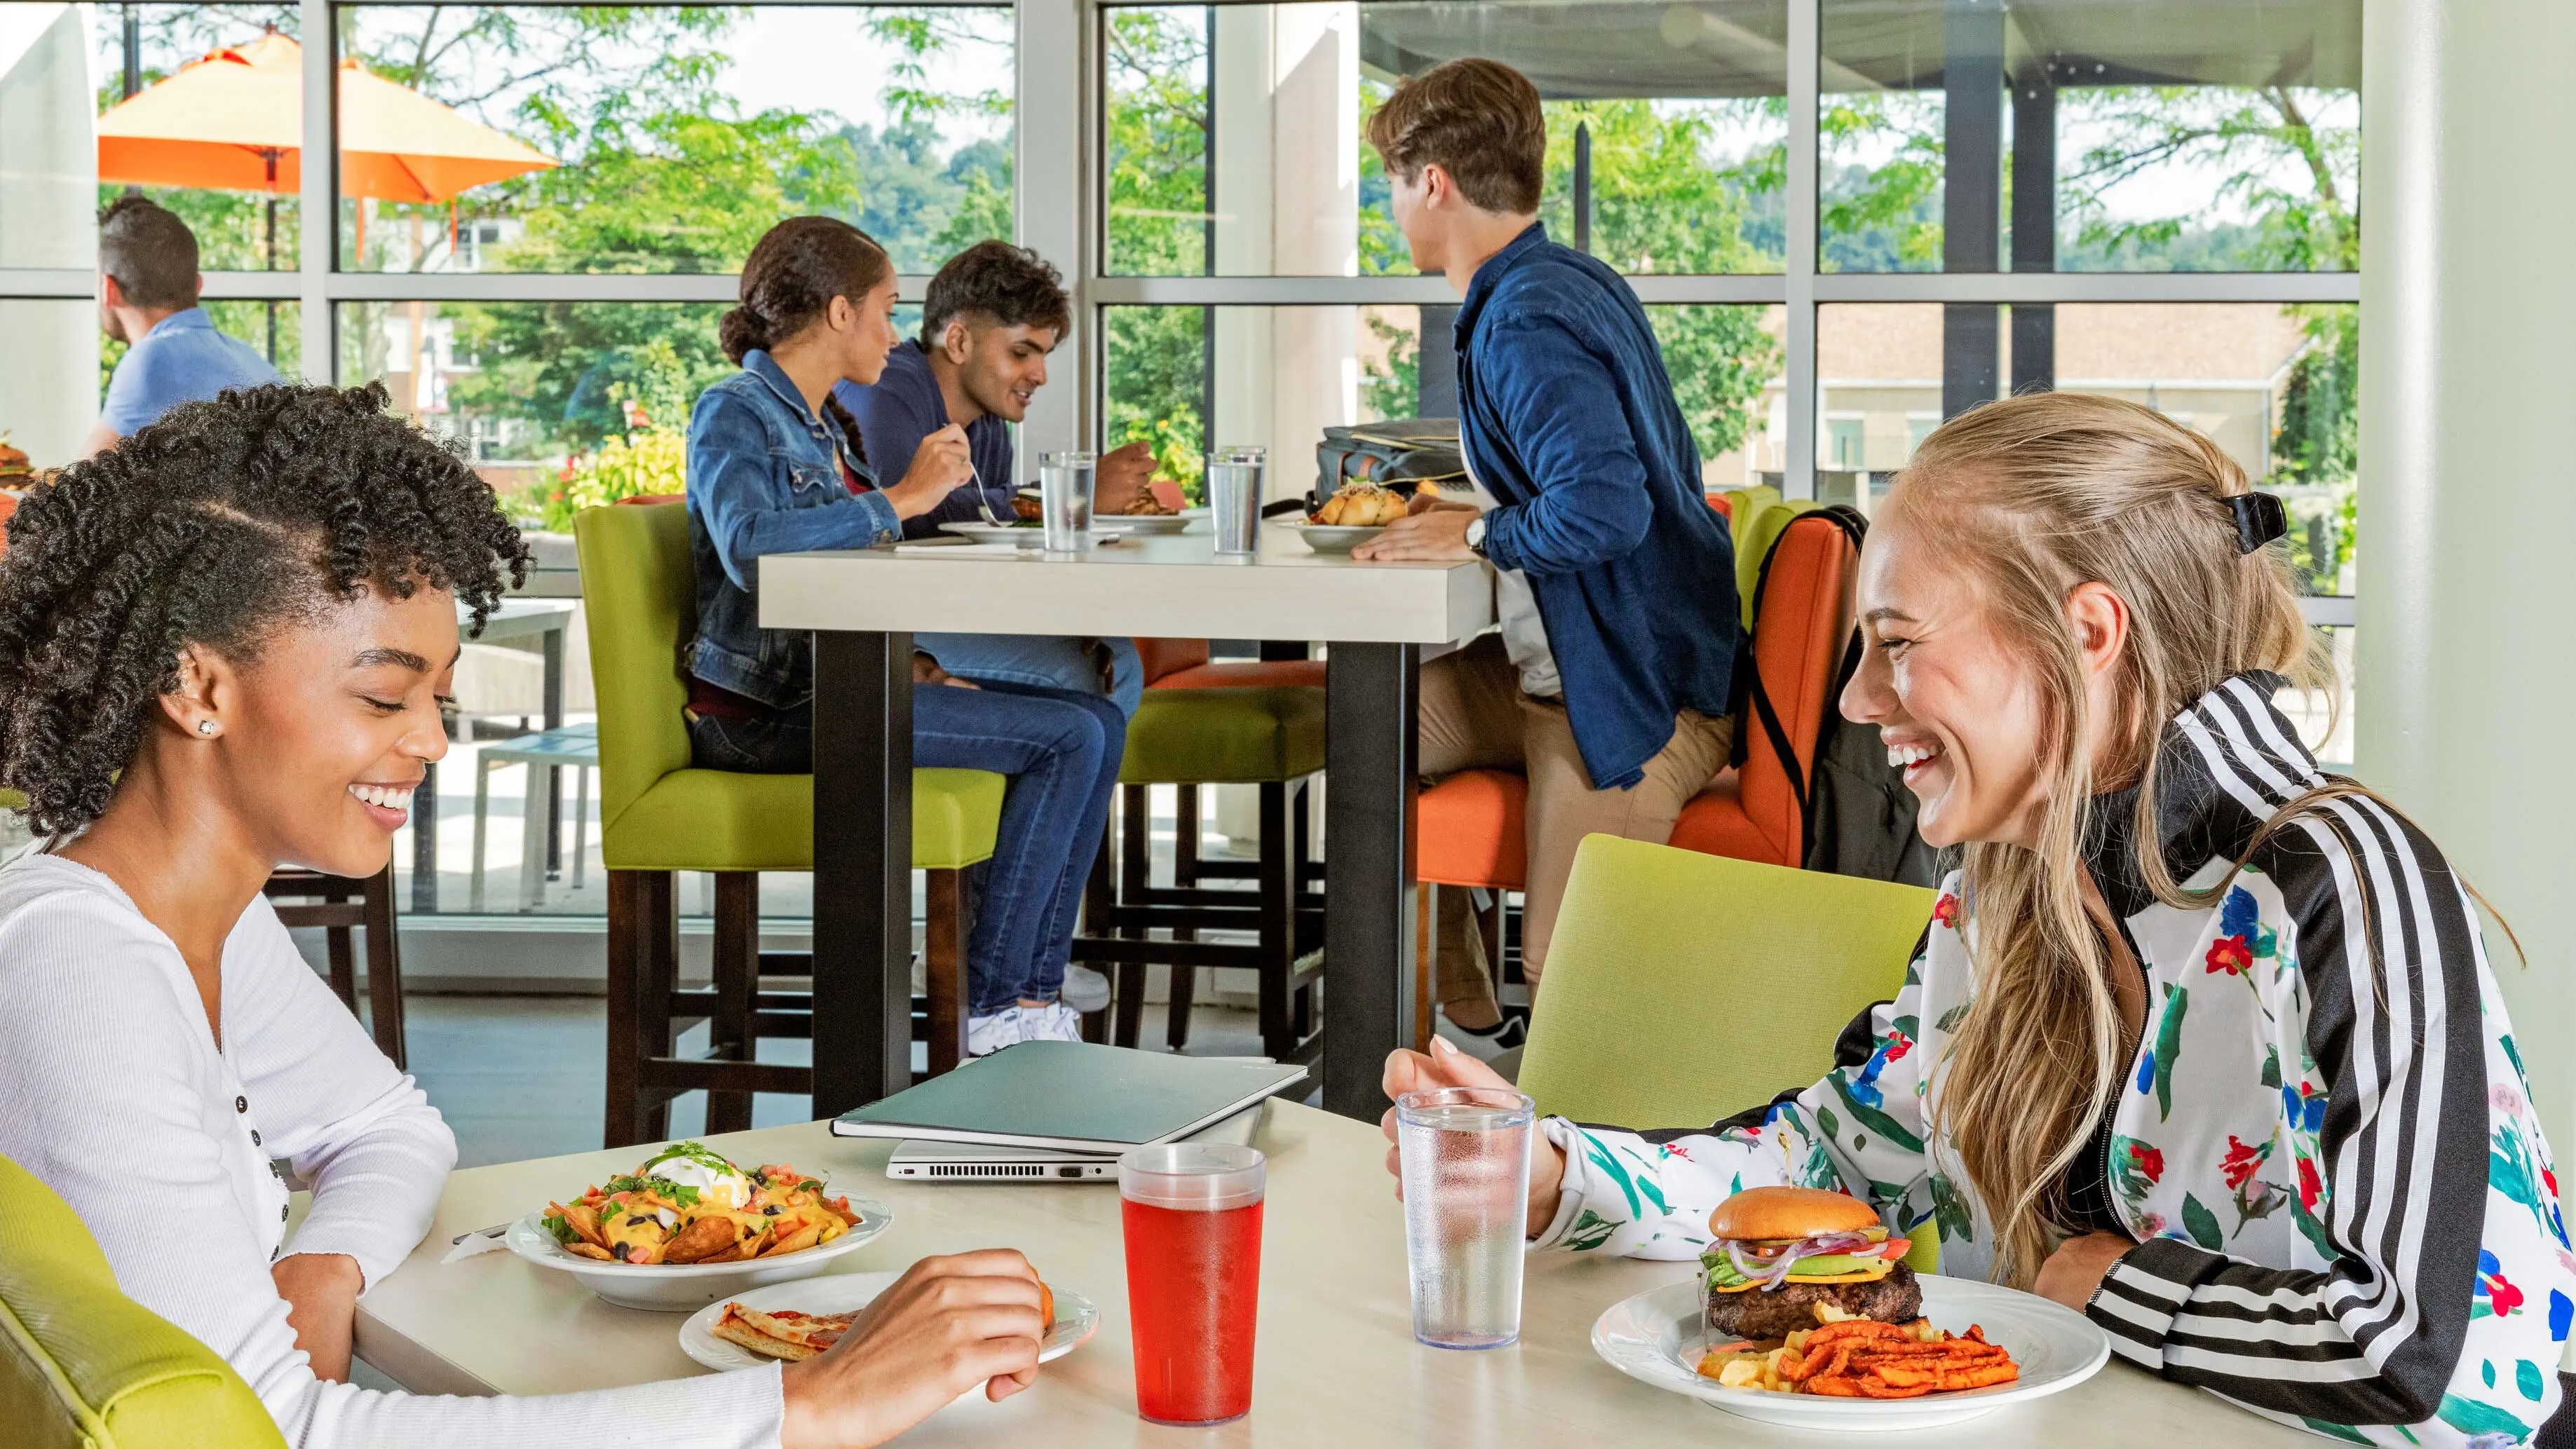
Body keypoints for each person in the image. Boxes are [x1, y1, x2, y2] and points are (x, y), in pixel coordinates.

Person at [1381, 392, 2576, 1446]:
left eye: (1895, 644)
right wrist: (1551, 1173)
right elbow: (1836, 1170)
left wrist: (2097, 1282)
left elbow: (2424, 1354)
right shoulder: (1993, 891)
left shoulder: (2342, 883)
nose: (1856, 699)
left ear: (2087, 634)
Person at [0, 383, 1052, 1448]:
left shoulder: (193, 917)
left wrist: (326, 1262)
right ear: (198, 686)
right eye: (382, 696)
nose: (431, 742)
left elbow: (386, 1123)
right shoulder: (79, 973)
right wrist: (809, 1405)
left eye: (439, 700)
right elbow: (275, 1433)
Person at [1350, 58, 1739, 1047]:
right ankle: (1464, 1005)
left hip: (1627, 694)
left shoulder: (1522, 315)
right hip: (1560, 662)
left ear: (1432, 182)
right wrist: (1469, 503)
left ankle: (1579, 1147)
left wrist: (1478, 529)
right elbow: (1585, 475)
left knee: (1568, 982)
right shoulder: (1561, 280)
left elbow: (1604, 509)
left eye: (1392, 184)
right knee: (1364, 735)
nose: (1392, 206)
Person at [686, 217, 1125, 1054]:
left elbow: (850, 582)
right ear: (840, 312)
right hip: (767, 716)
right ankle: (998, 1015)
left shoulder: (823, 425)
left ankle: (1031, 1003)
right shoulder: (734, 410)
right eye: (888, 309)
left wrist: (918, 664)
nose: (896, 332)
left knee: (1095, 723)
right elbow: (748, 546)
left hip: (844, 686)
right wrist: (901, 500)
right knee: (1068, 735)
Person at [839, 241, 1154, 1016]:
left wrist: (1068, 506)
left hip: (938, 618)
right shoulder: (893, 400)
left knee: (1115, 665)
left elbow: (978, 522)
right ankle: (992, 961)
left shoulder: (980, 423)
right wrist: (1076, 505)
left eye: (1042, 354)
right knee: (1083, 685)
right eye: (1022, 351)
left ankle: (1022, 952)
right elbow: (887, 545)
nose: (1039, 373)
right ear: (957, 340)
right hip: (889, 641)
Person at [77, 196, 283, 459]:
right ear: (198, 285)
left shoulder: (151, 360)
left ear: (109, 290)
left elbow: (83, 480)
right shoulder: (249, 357)